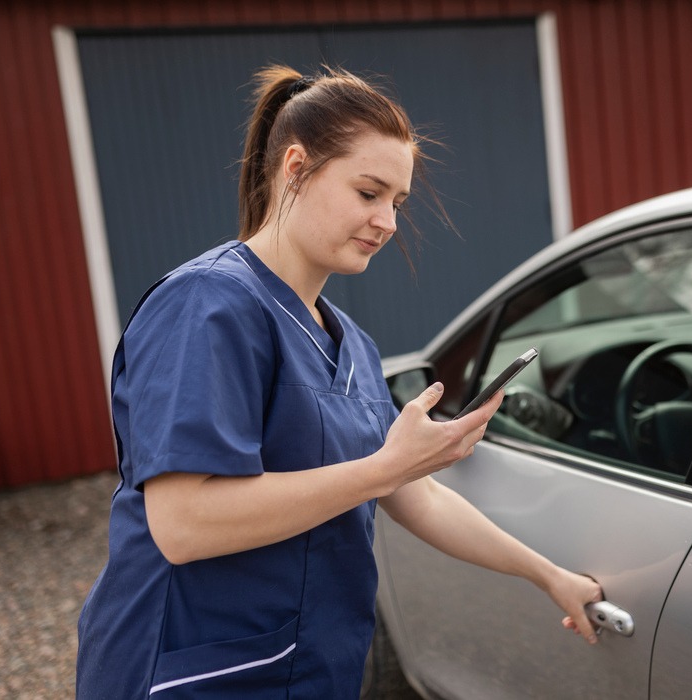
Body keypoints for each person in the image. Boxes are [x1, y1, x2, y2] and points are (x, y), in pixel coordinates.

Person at [76, 65, 602, 699]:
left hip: (309, 667)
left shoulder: (351, 342)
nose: (388, 222)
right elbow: (184, 524)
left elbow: (421, 498)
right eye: (369, 192)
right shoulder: (207, 305)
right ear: (296, 167)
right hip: (188, 671)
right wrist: (386, 469)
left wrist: (548, 576)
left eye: (398, 202)